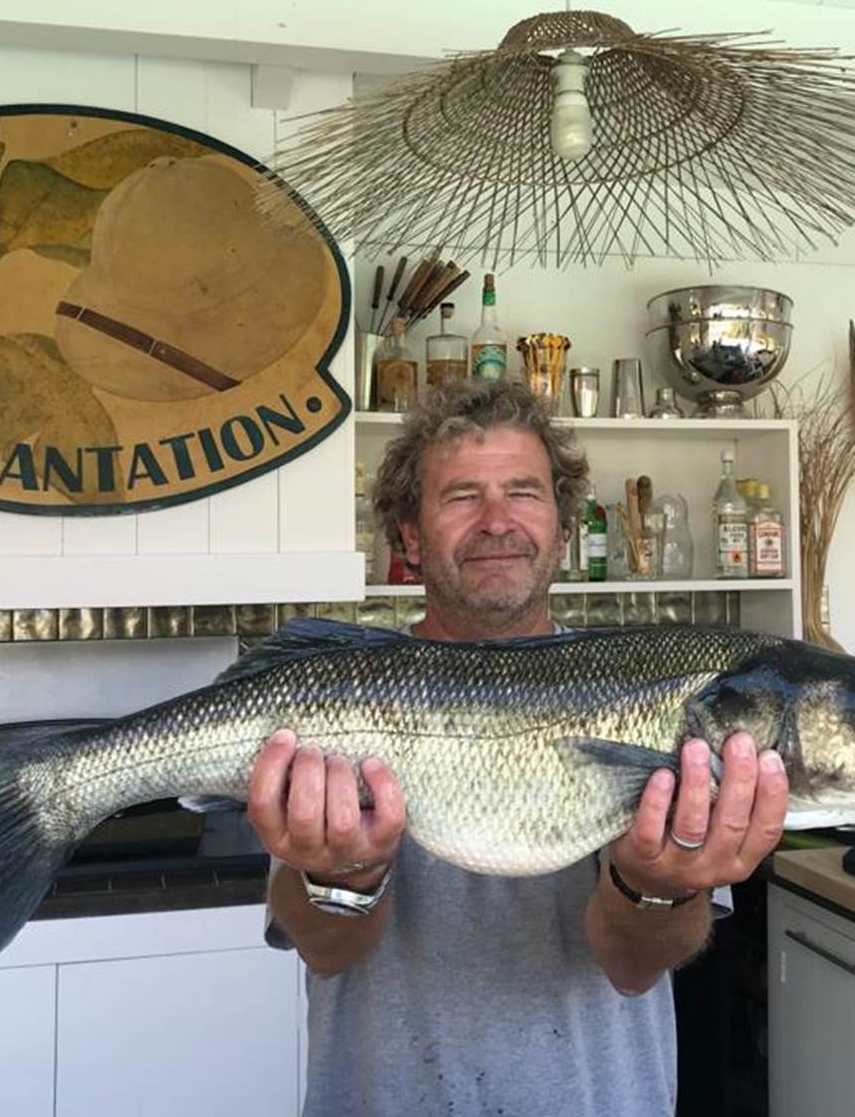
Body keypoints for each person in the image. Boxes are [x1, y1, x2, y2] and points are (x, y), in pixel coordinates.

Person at [249, 379, 789, 1116]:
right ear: (408, 536)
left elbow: (634, 966)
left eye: (525, 493)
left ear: (563, 531)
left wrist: (653, 884)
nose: (497, 522)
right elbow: (328, 950)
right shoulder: (340, 697)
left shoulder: (653, 694)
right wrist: (346, 872)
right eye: (462, 495)